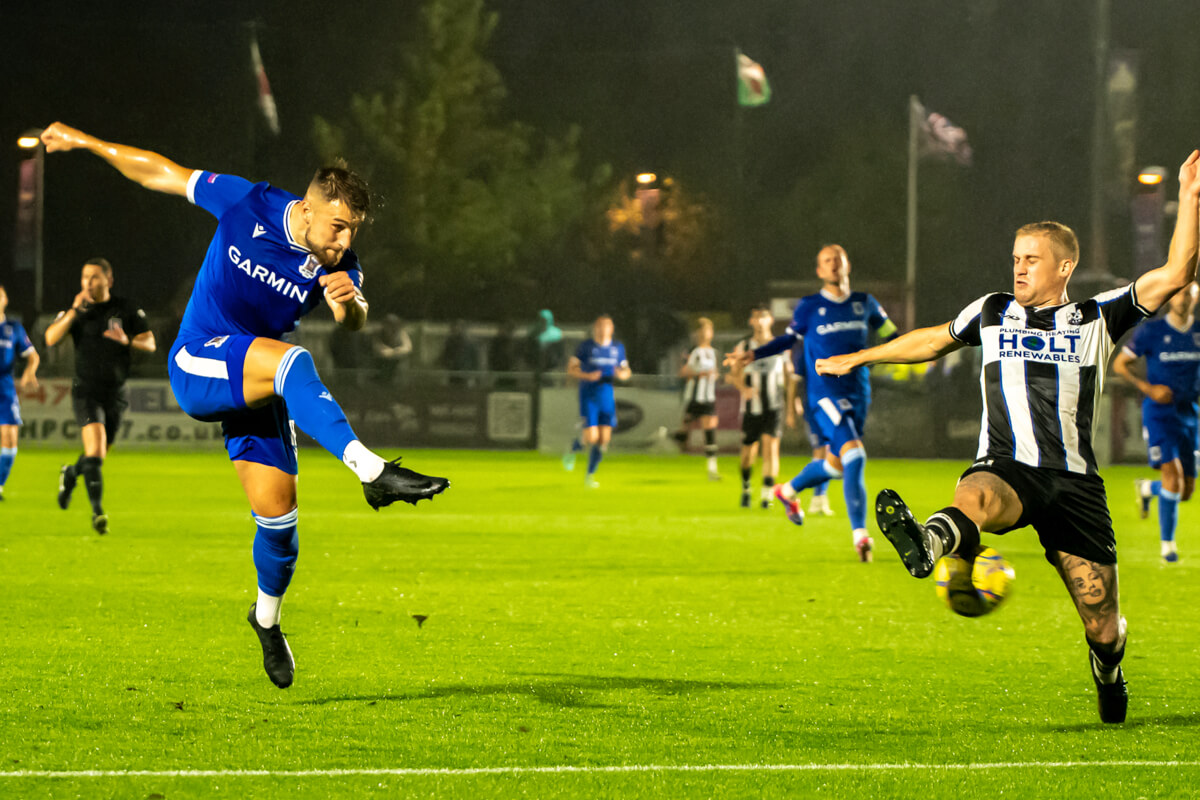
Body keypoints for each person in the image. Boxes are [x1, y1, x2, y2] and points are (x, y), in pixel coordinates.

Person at [40, 121, 449, 690]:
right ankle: (370, 469)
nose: (344, 242)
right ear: (308, 209)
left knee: (281, 525)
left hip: (253, 381)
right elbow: (162, 171)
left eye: (352, 231)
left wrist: (350, 305)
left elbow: (354, 320)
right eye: (338, 227)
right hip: (199, 361)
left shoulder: (337, 263)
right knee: (294, 362)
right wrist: (86, 143)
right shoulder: (247, 202)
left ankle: (265, 619)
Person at [813, 153, 1200, 724]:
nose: (1019, 270)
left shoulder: (1098, 317)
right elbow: (932, 340)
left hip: (1075, 485)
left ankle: (1109, 669)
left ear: (1064, 267)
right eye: (1015, 259)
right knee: (979, 495)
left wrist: (1189, 197)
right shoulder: (993, 311)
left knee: (1101, 620)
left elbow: (1175, 274)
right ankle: (927, 543)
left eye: (1032, 260)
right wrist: (862, 356)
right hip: (1006, 465)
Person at [727, 245, 898, 561]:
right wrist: (753, 354)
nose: (833, 264)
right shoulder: (810, 306)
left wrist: (910, 352)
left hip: (859, 392)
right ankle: (861, 537)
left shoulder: (865, 303)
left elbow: (893, 336)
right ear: (819, 271)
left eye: (838, 258)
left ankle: (788, 491)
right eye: (826, 261)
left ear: (848, 265)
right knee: (855, 455)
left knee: (835, 466)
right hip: (825, 394)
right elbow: (788, 340)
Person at [44, 258, 155, 532]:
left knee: (97, 456)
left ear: (109, 279)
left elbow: (150, 343)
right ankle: (98, 513)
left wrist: (127, 340)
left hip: (115, 394)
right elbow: (50, 338)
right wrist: (72, 310)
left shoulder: (125, 308)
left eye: (94, 277)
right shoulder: (78, 313)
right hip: (86, 392)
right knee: (94, 451)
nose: (88, 283)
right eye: (84, 277)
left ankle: (70, 474)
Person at [1113, 282, 1200, 563]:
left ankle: (1148, 489)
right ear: (1169, 298)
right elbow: (1120, 365)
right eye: (1178, 293)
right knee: (1172, 476)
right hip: (1160, 414)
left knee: (1185, 491)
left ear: (1196, 297)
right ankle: (1167, 548)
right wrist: (1148, 389)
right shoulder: (1151, 331)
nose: (1182, 298)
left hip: (1190, 414)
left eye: (1189, 293)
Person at [727, 306, 793, 508]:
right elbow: (732, 375)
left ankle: (767, 495)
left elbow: (790, 376)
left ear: (770, 320)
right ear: (751, 321)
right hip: (751, 408)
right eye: (756, 317)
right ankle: (746, 488)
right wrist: (742, 387)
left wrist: (792, 405)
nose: (760, 321)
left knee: (771, 448)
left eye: (763, 317)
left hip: (774, 406)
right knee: (748, 453)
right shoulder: (745, 345)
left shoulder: (780, 345)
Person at [564, 314, 631, 487]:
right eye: (599, 326)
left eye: (606, 326)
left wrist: (621, 375)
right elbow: (571, 369)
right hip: (588, 395)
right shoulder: (586, 347)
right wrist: (586, 375)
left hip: (607, 396)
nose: (602, 329)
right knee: (592, 437)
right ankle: (574, 448)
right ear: (595, 328)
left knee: (604, 440)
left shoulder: (617, 348)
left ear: (611, 329)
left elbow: (626, 370)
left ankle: (590, 476)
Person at [0, 285, 40, 500]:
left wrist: (29, 372)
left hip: (4, 388)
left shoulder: (13, 328)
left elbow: (33, 356)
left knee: (10, 438)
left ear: (5, 300)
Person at [673, 317, 722, 480]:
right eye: (703, 330)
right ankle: (670, 436)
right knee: (684, 431)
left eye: (709, 330)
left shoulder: (713, 352)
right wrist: (698, 374)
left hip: (708, 396)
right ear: (698, 333)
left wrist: (715, 376)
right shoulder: (693, 351)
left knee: (709, 431)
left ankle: (712, 469)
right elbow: (682, 372)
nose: (707, 333)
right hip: (695, 395)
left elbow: (714, 372)